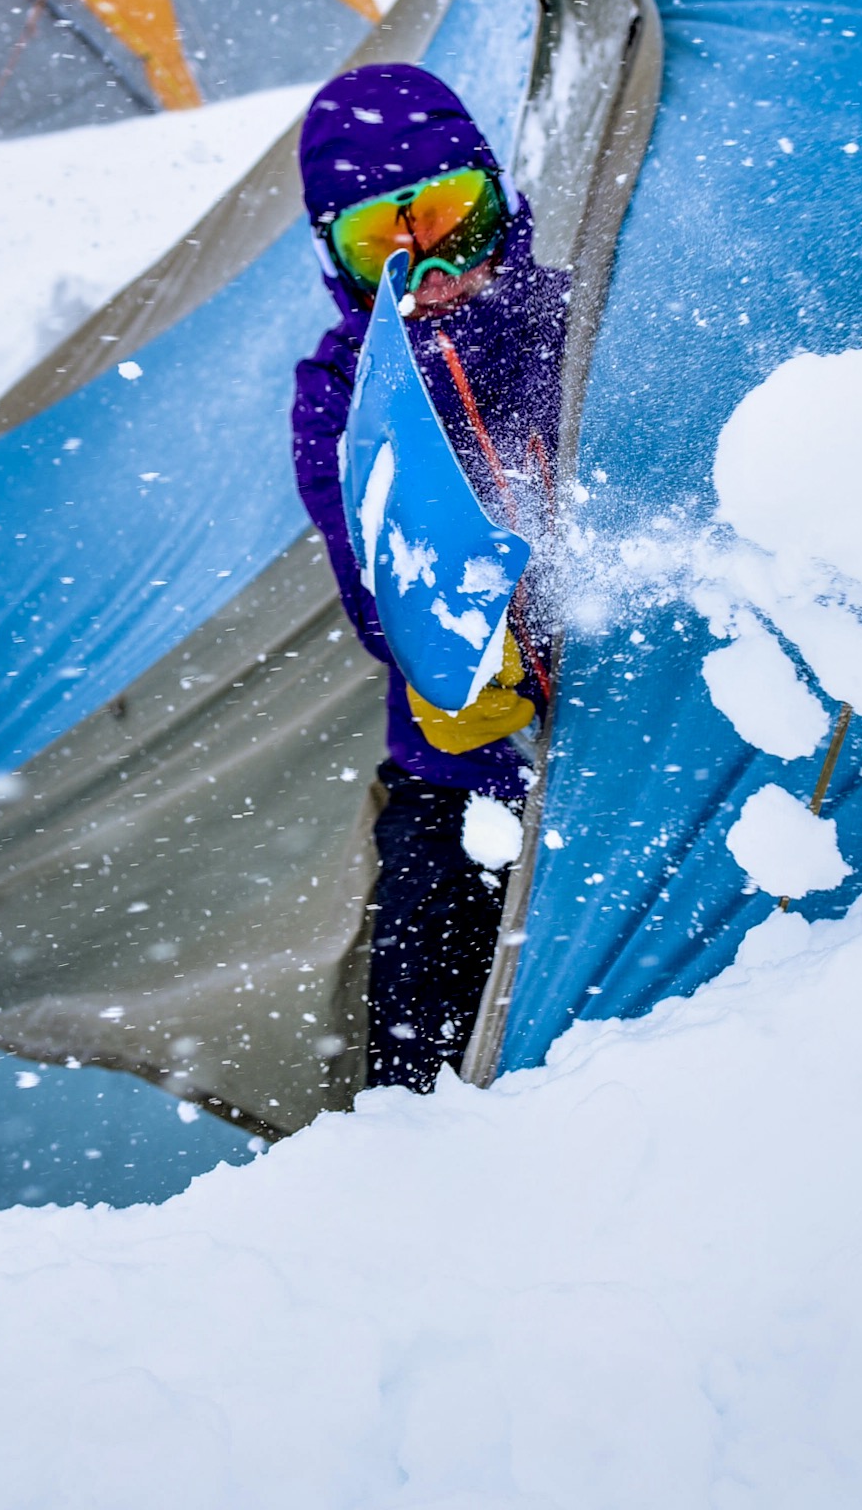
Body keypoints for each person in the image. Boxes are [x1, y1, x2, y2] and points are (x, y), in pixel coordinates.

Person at [292, 62, 569, 1091]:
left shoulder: (570, 318)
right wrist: (450, 645)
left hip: (615, 753)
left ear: (500, 201)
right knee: (420, 1073)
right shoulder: (339, 389)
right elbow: (373, 578)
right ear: (341, 263)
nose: (435, 269)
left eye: (456, 218)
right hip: (460, 774)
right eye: (383, 245)